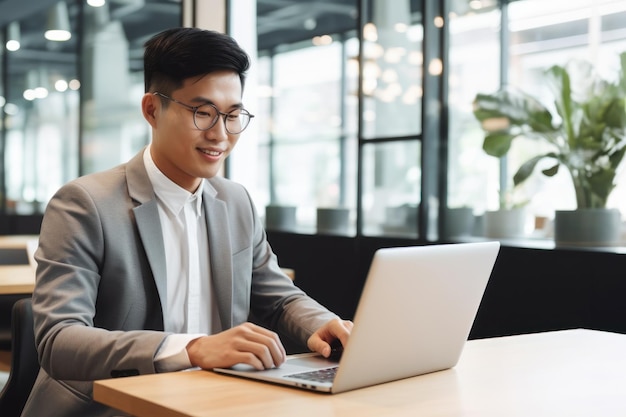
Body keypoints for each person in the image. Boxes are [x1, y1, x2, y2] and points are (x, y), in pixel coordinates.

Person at [22, 27, 352, 417]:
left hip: (213, 402)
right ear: (151, 110)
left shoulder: (236, 201)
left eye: (233, 115)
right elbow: (59, 341)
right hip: (110, 408)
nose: (220, 134)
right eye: (203, 112)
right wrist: (192, 348)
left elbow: (279, 298)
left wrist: (324, 324)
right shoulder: (85, 204)